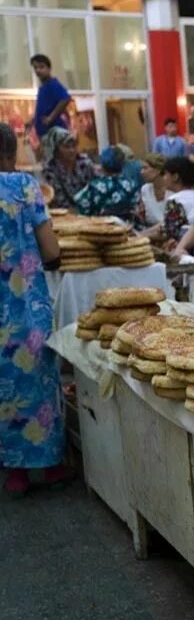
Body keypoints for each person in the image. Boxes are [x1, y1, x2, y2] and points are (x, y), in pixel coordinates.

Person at [0, 123, 71, 496]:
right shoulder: (23, 187)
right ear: (11, 154)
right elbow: (50, 249)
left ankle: (13, 471)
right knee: (37, 383)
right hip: (22, 307)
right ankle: (48, 464)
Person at [156, 157, 194, 260]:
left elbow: (166, 231)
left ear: (175, 177)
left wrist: (141, 235)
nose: (163, 178)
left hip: (190, 252)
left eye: (165, 174)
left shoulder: (175, 200)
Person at [72, 146, 140, 220]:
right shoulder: (132, 184)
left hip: (102, 227)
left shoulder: (94, 187)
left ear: (102, 165)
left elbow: (80, 206)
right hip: (129, 227)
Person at [40, 127, 94, 210]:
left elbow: (95, 188)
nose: (72, 150)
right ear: (56, 150)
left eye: (74, 146)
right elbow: (58, 199)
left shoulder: (85, 163)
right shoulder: (50, 170)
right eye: (66, 147)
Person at [31, 54, 71, 139]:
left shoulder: (52, 84)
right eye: (35, 68)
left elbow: (65, 98)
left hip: (54, 134)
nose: (38, 70)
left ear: (49, 68)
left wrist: (50, 118)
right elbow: (44, 109)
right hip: (45, 134)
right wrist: (33, 121)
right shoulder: (43, 87)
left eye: (41, 67)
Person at [136, 153, 169, 228]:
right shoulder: (145, 189)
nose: (141, 172)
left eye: (145, 168)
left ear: (158, 170)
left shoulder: (172, 190)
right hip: (151, 232)